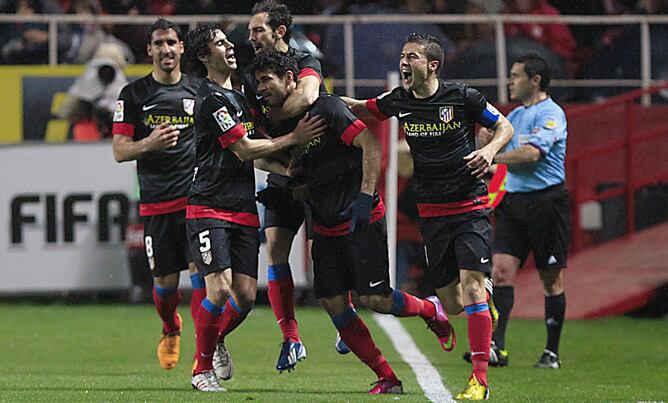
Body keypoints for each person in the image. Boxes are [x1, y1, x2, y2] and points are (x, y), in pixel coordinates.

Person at [248, 49, 460, 395]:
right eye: (258, 82)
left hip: (361, 217)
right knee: (332, 301)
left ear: (290, 79)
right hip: (325, 223)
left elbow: (370, 146)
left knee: (375, 299)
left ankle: (429, 308)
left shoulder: (327, 109)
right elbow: (305, 172)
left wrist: (365, 197)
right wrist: (289, 192)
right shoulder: (280, 125)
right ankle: (387, 376)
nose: (262, 88)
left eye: (267, 80)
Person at [343, 33, 514, 400]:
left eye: (413, 57)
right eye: (403, 56)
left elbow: (505, 126)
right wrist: (316, 98)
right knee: (452, 304)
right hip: (431, 213)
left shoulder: (463, 97)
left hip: (469, 206)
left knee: (470, 289)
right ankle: (485, 302)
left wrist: (491, 151)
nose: (404, 62)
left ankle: (479, 380)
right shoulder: (400, 100)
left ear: (432, 65)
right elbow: (362, 107)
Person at [181, 24, 325, 392]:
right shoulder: (211, 99)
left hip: (242, 207)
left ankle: (214, 342)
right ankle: (201, 371)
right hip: (209, 205)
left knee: (244, 297)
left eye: (229, 41)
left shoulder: (243, 98)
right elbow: (244, 149)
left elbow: (256, 157)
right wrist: (294, 138)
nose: (231, 46)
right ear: (203, 56)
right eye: (220, 43)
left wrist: (287, 169)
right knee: (218, 289)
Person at [243, 0, 340, 373]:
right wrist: (284, 159)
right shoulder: (251, 75)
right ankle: (291, 338)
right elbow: (251, 142)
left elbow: (306, 97)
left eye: (257, 30)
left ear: (279, 32)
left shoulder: (306, 59)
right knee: (276, 247)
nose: (251, 37)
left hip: (323, 173)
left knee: (323, 255)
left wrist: (272, 114)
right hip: (284, 169)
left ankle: (343, 325)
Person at [111, 18, 204, 371]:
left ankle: (204, 352)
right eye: (159, 43)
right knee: (165, 289)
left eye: (171, 42)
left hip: (196, 202)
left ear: (181, 48)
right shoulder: (133, 95)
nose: (166, 49)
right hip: (156, 203)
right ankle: (170, 326)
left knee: (202, 279)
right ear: (149, 50)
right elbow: (120, 151)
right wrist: (149, 143)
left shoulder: (199, 90)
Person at [482, 53, 570, 369]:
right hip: (515, 201)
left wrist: (490, 157)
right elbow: (496, 143)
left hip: (547, 203)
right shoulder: (515, 116)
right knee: (501, 271)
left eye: (516, 75)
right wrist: (487, 142)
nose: (510, 81)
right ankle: (498, 348)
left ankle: (551, 352)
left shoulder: (552, 114)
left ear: (535, 80)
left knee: (551, 280)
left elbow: (532, 153)